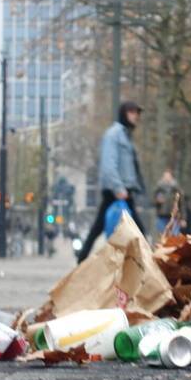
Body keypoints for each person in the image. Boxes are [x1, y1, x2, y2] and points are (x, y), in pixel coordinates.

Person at [76, 101, 146, 264]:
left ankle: (81, 260)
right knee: (138, 231)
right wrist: (118, 187)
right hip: (118, 192)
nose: (136, 116)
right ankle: (147, 269)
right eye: (132, 112)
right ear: (124, 113)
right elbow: (108, 164)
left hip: (123, 191)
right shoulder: (114, 135)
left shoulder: (124, 136)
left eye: (137, 113)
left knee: (97, 228)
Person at [153, 169, 181, 236]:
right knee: (162, 235)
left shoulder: (176, 189)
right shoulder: (158, 188)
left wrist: (183, 218)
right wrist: (157, 200)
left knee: (174, 236)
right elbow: (153, 201)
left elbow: (181, 203)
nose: (166, 178)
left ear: (171, 177)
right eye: (165, 176)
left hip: (174, 217)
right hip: (161, 216)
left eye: (168, 176)